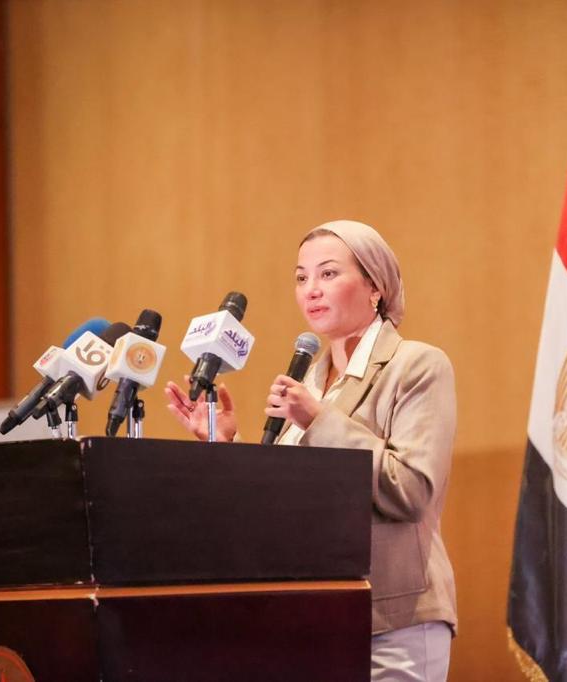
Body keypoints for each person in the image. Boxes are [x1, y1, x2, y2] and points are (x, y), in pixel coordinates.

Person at [165, 220, 457, 681]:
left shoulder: (416, 365)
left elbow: (411, 490)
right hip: (313, 617)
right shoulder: (309, 382)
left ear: (376, 287)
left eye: (328, 273)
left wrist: (319, 420)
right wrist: (225, 442)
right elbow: (284, 502)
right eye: (301, 278)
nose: (311, 290)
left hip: (394, 619)